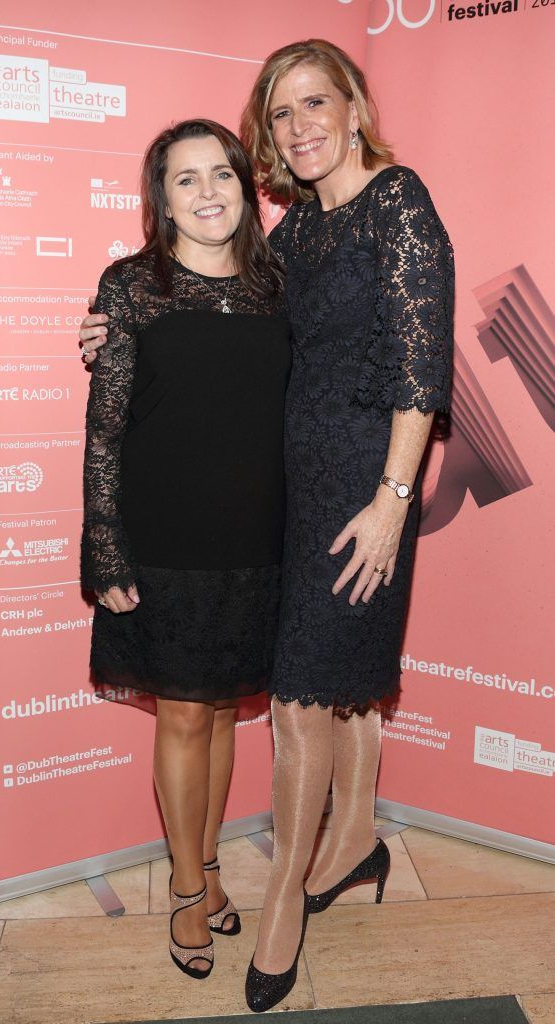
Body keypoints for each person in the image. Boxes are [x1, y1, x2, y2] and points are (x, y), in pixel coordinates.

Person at [80, 39, 454, 1012]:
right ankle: (352, 841)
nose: (298, 126)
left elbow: (423, 366)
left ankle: (286, 890)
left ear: (353, 102)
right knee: (332, 691)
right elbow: (215, 304)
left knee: (297, 698)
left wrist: (392, 501)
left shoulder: (397, 201)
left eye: (314, 102)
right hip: (284, 492)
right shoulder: (292, 233)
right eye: (280, 113)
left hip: (363, 493)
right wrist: (117, 326)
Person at [80, 118, 290, 981]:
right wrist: (105, 546)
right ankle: (181, 886)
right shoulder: (133, 287)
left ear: (246, 188)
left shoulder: (280, 284)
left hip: (259, 534)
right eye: (186, 180)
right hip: (163, 536)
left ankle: (206, 865)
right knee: (181, 714)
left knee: (226, 705)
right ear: (160, 199)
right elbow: (105, 432)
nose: (209, 193)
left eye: (224, 177)